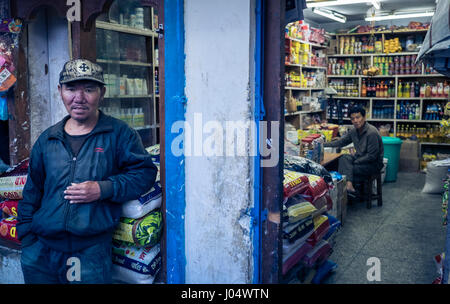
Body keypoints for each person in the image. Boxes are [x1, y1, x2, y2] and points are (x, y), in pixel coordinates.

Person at [16, 59, 158, 284]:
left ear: (101, 93)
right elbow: (32, 191)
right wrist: (27, 239)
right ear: (60, 91)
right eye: (71, 89)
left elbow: (144, 174)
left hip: (88, 252)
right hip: (40, 252)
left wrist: (103, 189)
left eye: (89, 89)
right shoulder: (48, 139)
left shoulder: (119, 134)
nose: (79, 98)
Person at [324, 105, 384, 195]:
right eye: (352, 119)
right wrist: (322, 144)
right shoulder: (353, 131)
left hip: (373, 164)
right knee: (343, 158)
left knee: (346, 169)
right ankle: (348, 186)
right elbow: (340, 142)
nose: (355, 121)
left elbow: (372, 156)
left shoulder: (372, 132)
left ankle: (346, 189)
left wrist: (355, 161)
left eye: (358, 117)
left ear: (364, 117)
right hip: (360, 159)